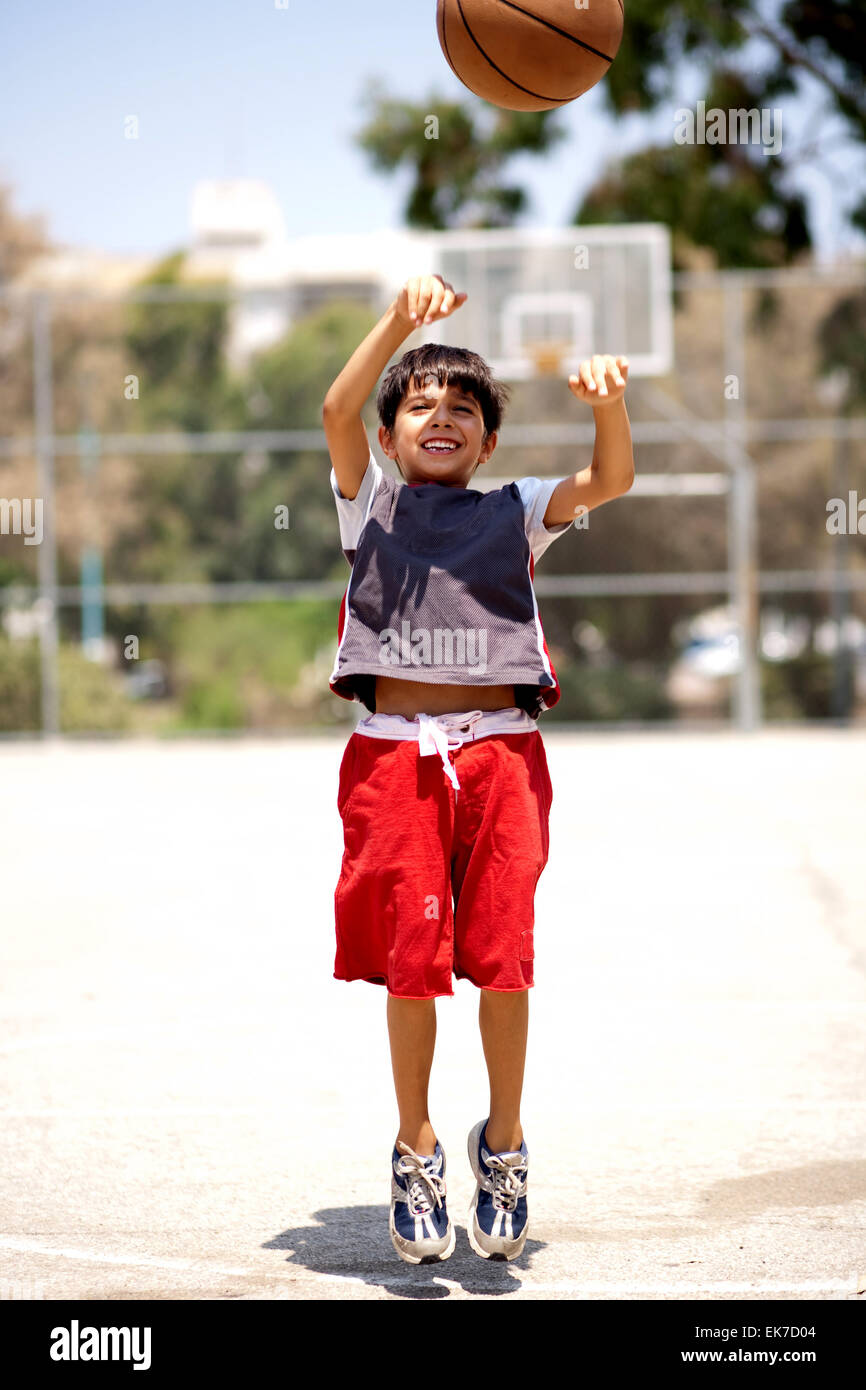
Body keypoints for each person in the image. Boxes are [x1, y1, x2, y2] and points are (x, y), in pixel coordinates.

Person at [322, 274, 634, 1264]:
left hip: (501, 754)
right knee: (412, 965)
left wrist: (608, 406)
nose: (441, 417)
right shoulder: (366, 505)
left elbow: (609, 481)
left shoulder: (516, 508)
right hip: (394, 762)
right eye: (420, 405)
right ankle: (413, 1142)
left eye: (462, 408)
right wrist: (401, 323)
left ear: (488, 441)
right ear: (390, 437)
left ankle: (502, 1138)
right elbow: (334, 405)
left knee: (503, 954)